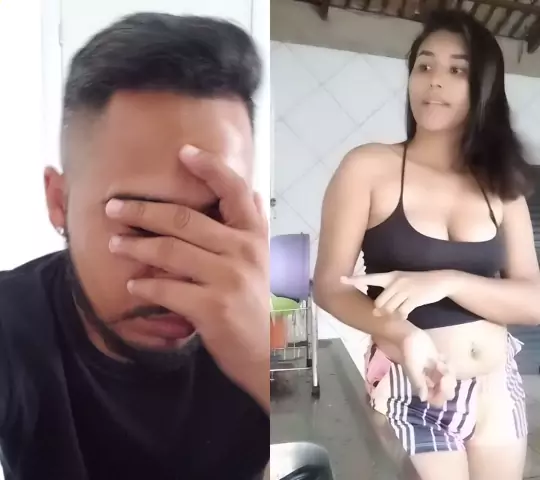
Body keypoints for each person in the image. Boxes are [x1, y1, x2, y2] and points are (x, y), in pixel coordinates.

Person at [0, 13, 269, 480]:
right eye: (141, 221)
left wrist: (261, 360)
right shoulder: (12, 323)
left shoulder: (263, 318)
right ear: (59, 202)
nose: (181, 267)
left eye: (213, 221)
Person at [314, 9, 540, 480]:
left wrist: (447, 281)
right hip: (413, 388)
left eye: (457, 70)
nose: (435, 80)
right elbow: (330, 286)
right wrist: (405, 336)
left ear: (483, 89)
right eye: (425, 65)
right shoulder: (368, 167)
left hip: (497, 391)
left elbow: (533, 301)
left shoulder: (503, 186)